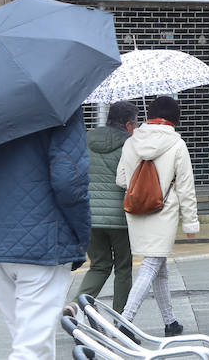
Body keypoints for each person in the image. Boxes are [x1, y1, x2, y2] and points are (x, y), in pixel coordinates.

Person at [0, 109, 88, 360]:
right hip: (44, 242)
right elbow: (69, 180)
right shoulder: (62, 105)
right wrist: (81, 233)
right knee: (30, 348)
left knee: (32, 341)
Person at [116, 96, 200, 336]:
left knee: (159, 265)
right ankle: (125, 321)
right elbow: (186, 187)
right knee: (152, 264)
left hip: (137, 211)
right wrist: (191, 221)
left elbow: (121, 179)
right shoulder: (177, 144)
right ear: (174, 118)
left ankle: (170, 322)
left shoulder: (131, 142)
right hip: (164, 212)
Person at [77, 101, 138, 312]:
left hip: (90, 215)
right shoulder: (131, 145)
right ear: (129, 124)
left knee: (99, 265)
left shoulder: (85, 140)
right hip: (120, 217)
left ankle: (77, 305)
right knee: (123, 268)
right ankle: (121, 320)